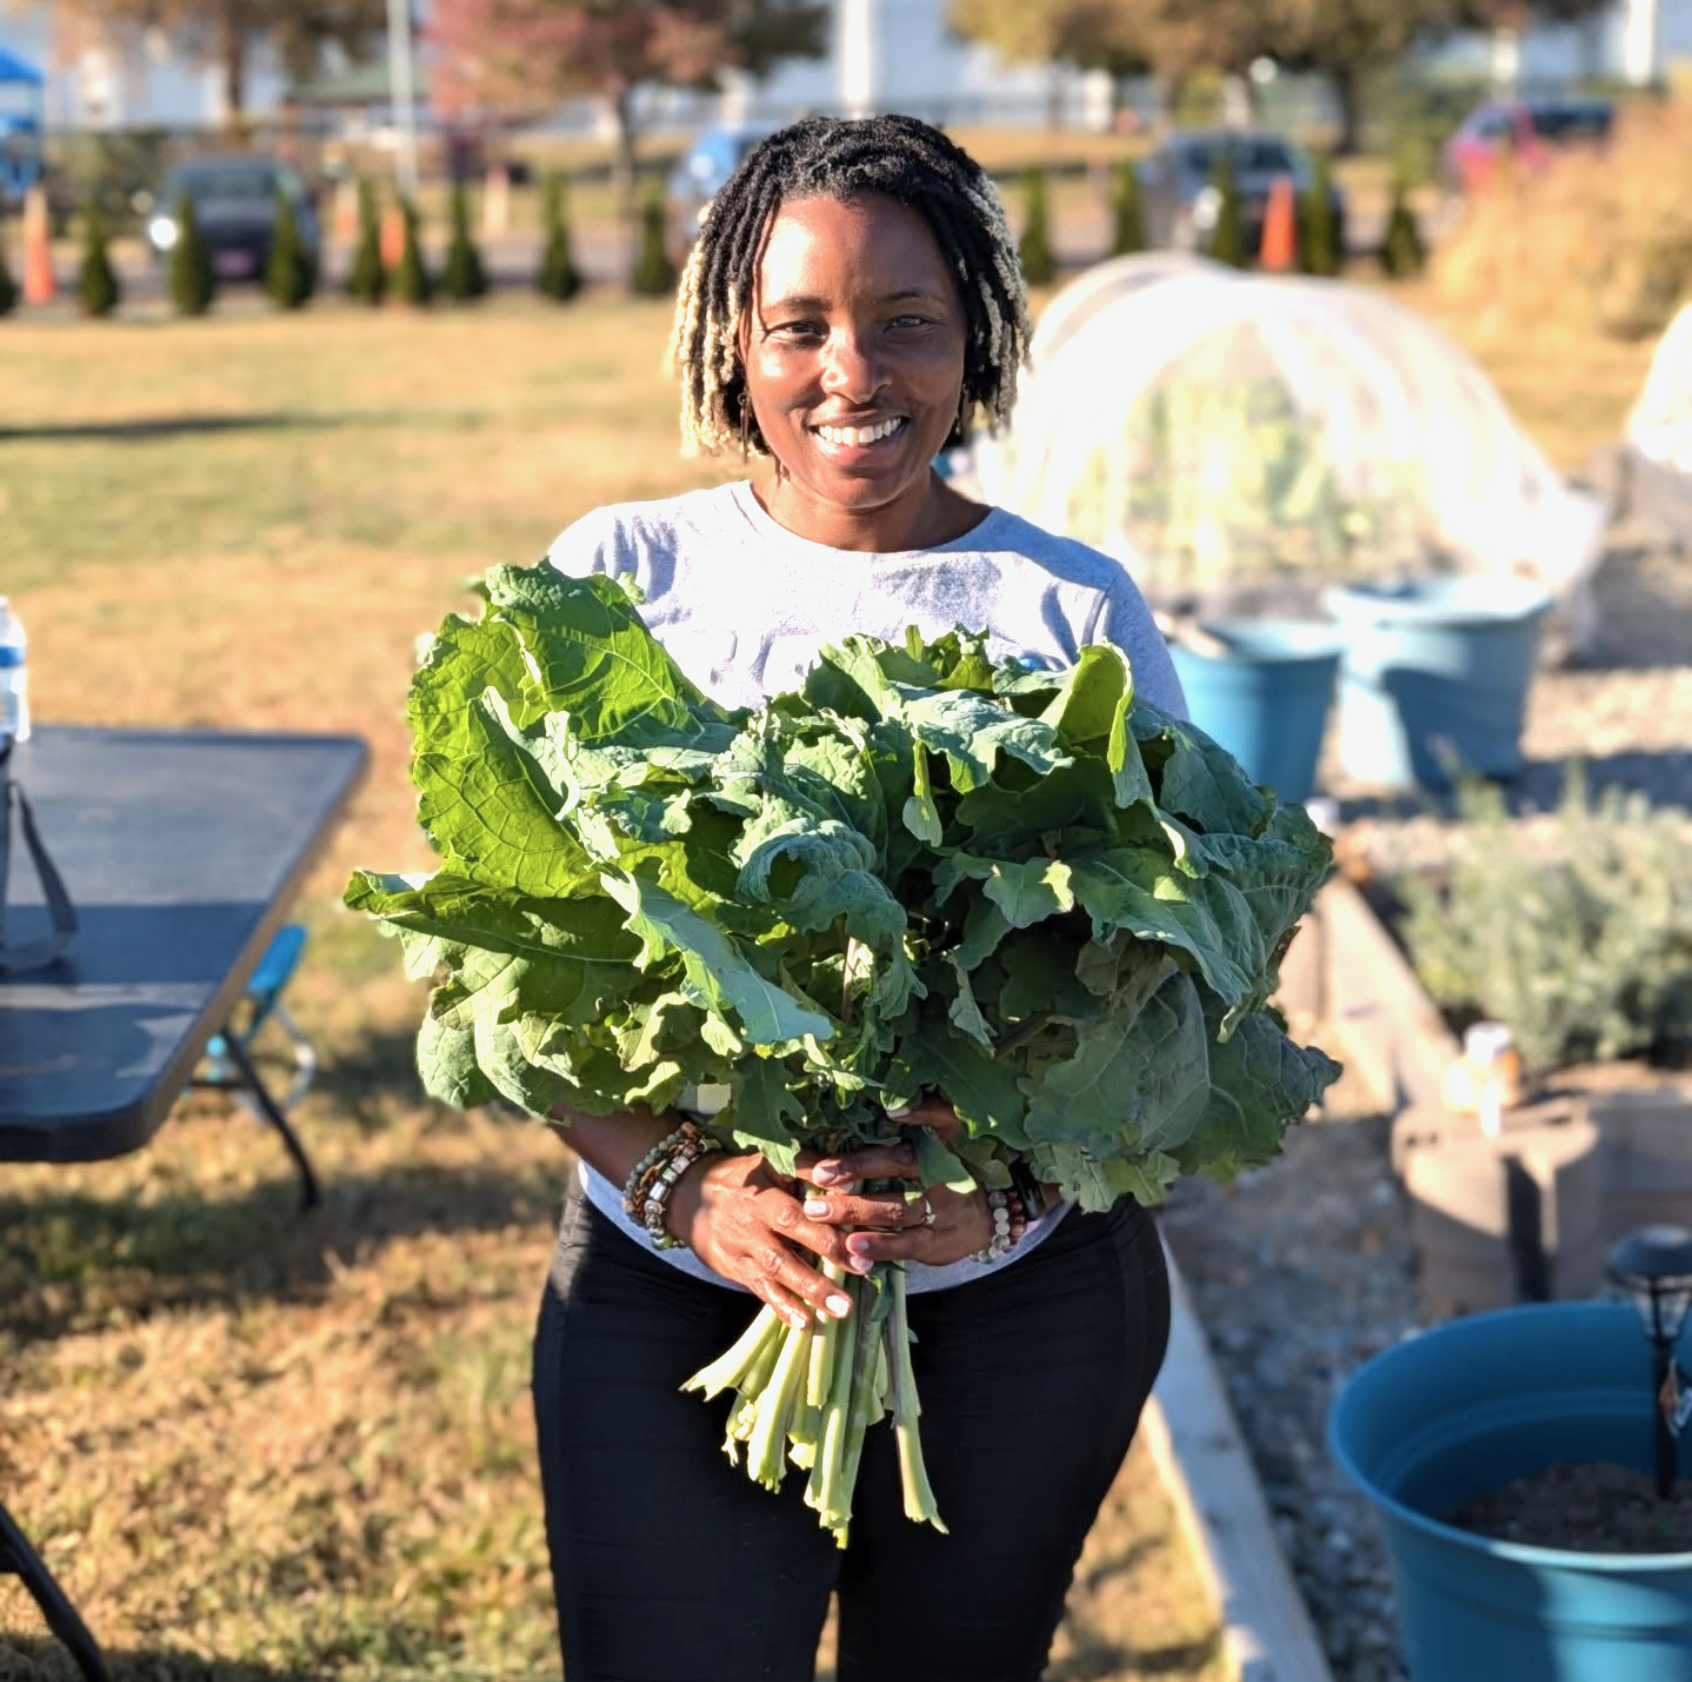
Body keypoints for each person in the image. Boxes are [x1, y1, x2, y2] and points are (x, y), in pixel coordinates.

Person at [532, 113, 1184, 1682]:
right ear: (728, 343)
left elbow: (1178, 986)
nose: (855, 373)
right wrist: (690, 1181)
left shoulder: (1073, 608)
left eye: (909, 323)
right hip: (674, 1289)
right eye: (801, 325)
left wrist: (1008, 1190)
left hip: (1023, 1310)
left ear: (976, 339)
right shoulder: (619, 577)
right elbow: (523, 982)